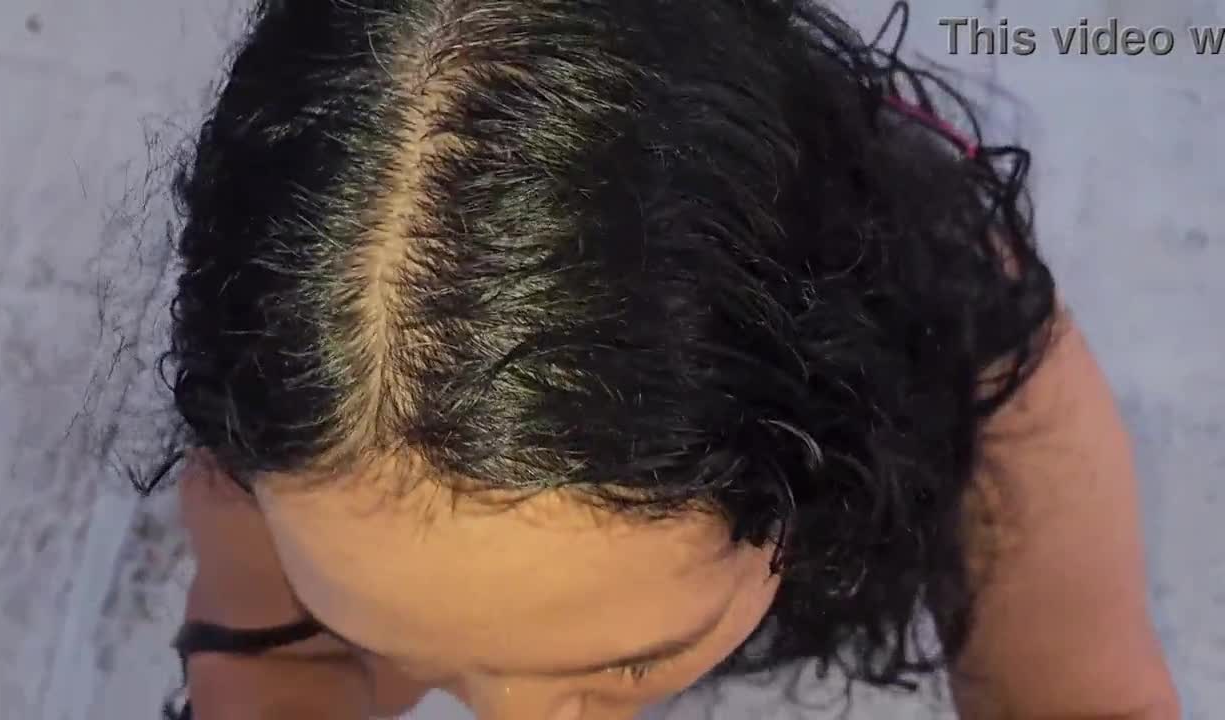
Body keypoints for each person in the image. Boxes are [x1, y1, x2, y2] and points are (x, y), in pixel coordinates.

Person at [154, 0, 1179, 717]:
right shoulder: (305, 399)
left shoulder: (976, 359)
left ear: (831, 445)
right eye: (388, 641)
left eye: (630, 665)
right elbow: (273, 667)